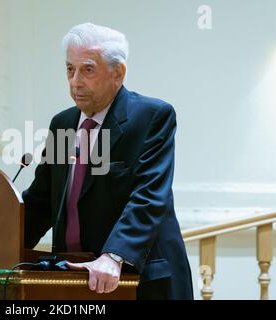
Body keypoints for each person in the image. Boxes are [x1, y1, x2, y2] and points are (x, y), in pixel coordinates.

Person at [23, 22, 193, 299]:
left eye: (87, 70)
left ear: (118, 73)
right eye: (70, 69)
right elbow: (41, 202)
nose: (75, 81)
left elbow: (148, 196)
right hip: (75, 278)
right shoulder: (63, 125)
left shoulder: (152, 116)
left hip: (140, 279)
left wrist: (114, 256)